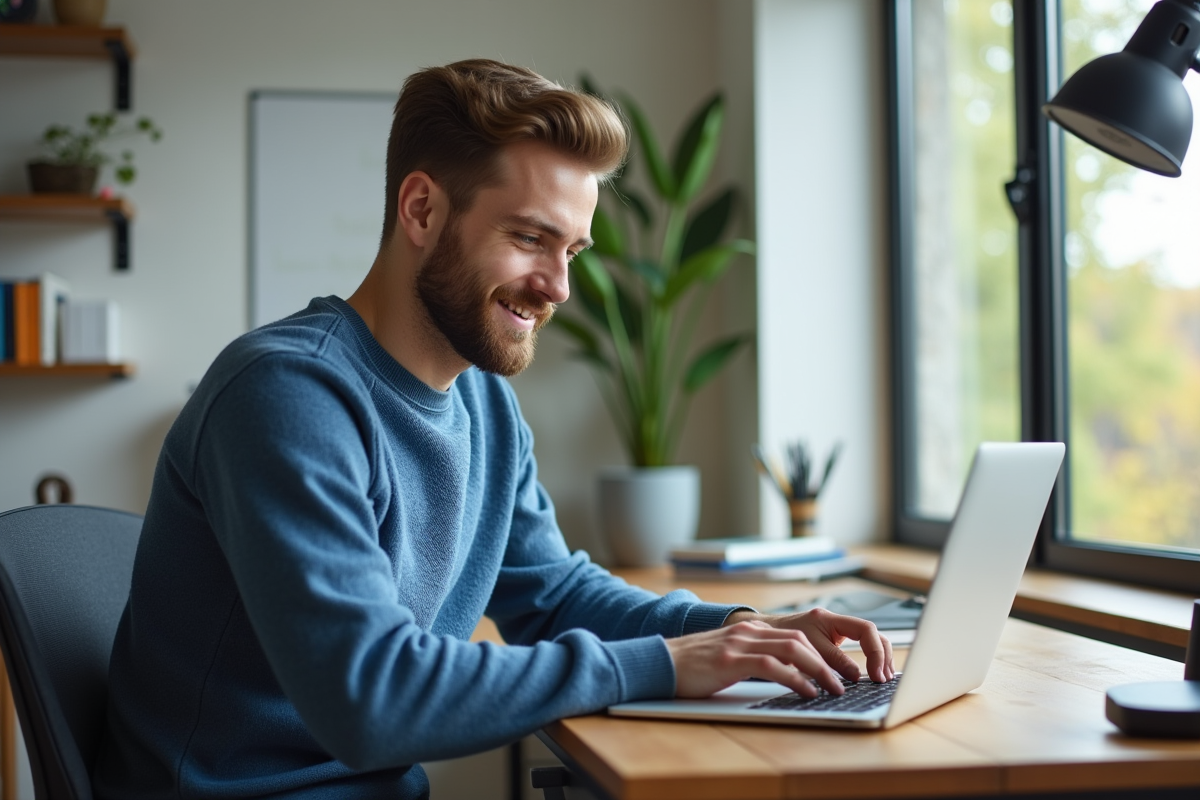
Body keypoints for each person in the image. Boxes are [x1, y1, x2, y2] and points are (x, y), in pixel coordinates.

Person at [94, 59, 894, 800]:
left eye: (572, 249)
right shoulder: (286, 395)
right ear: (421, 209)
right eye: (529, 238)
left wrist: (735, 632)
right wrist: (660, 664)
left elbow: (552, 595)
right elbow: (372, 699)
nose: (559, 286)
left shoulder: (484, 406)